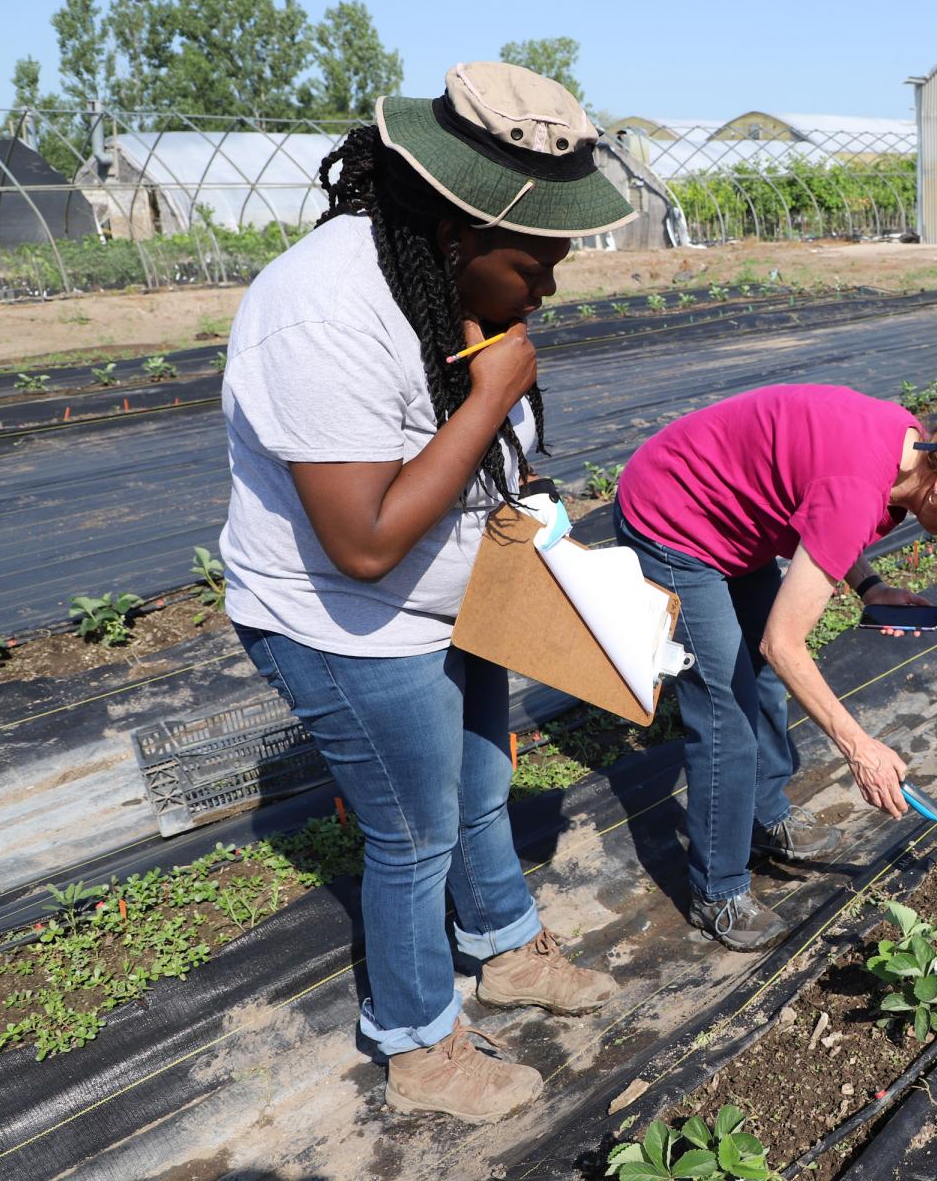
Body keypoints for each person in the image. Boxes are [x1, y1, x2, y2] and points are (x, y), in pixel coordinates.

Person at [218, 62, 639, 1124]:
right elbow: (361, 545)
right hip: (346, 621)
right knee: (411, 833)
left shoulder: (445, 286)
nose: (550, 282)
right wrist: (492, 394)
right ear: (460, 227)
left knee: (479, 784)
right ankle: (420, 1044)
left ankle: (505, 947)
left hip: (459, 596)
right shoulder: (321, 314)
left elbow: (493, 465)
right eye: (538, 257)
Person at [614, 386, 937, 951]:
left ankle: (764, 814)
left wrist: (869, 586)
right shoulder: (860, 488)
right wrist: (859, 747)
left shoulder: (901, 450)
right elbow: (783, 644)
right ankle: (717, 890)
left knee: (762, 688)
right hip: (674, 520)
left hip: (736, 520)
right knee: (727, 715)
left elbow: (822, 512)